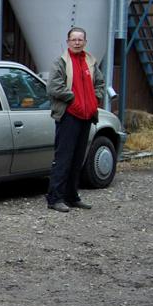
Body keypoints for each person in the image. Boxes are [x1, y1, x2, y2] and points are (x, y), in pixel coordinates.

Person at [45, 26, 106, 212]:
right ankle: (55, 198)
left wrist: (94, 98)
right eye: (74, 39)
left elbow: (100, 83)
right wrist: (73, 100)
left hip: (87, 116)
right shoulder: (61, 62)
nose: (77, 42)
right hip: (69, 116)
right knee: (63, 158)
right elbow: (53, 87)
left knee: (78, 158)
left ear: (85, 42)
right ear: (68, 42)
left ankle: (72, 196)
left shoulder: (90, 62)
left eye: (80, 39)